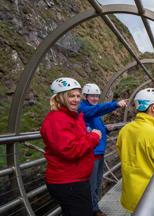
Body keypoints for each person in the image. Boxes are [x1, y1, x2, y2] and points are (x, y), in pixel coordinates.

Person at [40, 77, 102, 216]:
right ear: (60, 98)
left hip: (75, 179)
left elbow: (76, 140)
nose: (76, 99)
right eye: (71, 96)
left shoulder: (72, 116)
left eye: (78, 96)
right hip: (68, 182)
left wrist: (89, 135)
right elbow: (70, 150)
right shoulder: (57, 120)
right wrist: (94, 137)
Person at [116, 88, 154, 214]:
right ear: (153, 108)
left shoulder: (125, 130)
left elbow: (121, 153)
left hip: (130, 193)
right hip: (149, 195)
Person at [78, 83, 127, 216]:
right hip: (91, 153)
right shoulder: (84, 109)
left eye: (97, 96)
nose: (95, 99)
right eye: (92, 96)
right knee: (91, 184)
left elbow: (95, 127)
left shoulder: (91, 110)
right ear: (85, 96)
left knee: (97, 183)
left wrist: (106, 129)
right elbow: (97, 110)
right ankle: (92, 210)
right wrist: (115, 104)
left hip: (98, 153)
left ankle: (94, 208)